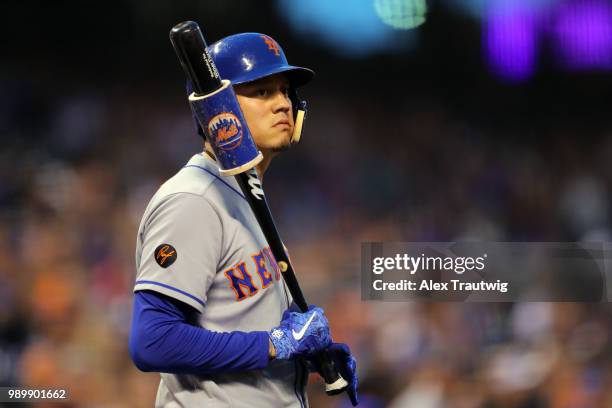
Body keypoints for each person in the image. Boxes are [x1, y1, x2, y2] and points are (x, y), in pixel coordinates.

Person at [128, 32, 358, 407]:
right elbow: (153, 341)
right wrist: (274, 344)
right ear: (217, 109)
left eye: (285, 91)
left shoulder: (246, 191)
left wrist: (307, 355)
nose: (283, 103)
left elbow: (240, 323)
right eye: (262, 92)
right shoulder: (194, 199)